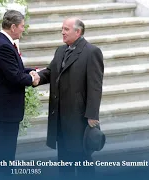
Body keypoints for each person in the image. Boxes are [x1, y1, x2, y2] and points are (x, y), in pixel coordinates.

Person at [32, 17, 104, 178]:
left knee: (82, 158)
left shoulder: (91, 52)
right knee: (64, 160)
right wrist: (35, 77)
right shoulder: (60, 50)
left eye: (66, 29)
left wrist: (92, 114)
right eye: (62, 29)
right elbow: (51, 71)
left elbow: (95, 86)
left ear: (77, 31)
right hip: (60, 116)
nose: (62, 32)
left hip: (79, 117)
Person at [0, 9, 40, 177]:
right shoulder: (3, 46)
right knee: (3, 154)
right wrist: (33, 79)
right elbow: (15, 77)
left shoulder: (4, 43)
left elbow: (16, 69)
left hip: (5, 110)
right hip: (5, 110)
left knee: (5, 153)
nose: (24, 29)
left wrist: (35, 71)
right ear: (13, 27)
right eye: (22, 26)